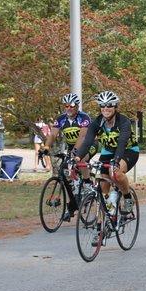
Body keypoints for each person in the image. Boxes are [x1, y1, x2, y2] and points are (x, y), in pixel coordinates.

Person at [75, 91, 139, 216]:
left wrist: (116, 161)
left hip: (128, 150)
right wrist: (77, 157)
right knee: (103, 182)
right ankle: (105, 219)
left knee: (116, 174)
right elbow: (87, 142)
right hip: (108, 151)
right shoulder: (96, 123)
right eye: (102, 106)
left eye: (109, 105)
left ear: (115, 106)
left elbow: (121, 143)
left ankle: (127, 197)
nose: (106, 108)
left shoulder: (123, 122)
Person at [43, 93, 98, 221]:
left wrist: (75, 153)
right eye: (66, 105)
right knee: (67, 175)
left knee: (81, 159)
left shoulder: (84, 118)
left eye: (71, 105)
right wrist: (46, 148)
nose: (68, 108)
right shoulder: (61, 119)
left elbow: (83, 137)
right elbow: (52, 135)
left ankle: (87, 183)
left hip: (89, 144)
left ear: (77, 106)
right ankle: (72, 205)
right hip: (72, 147)